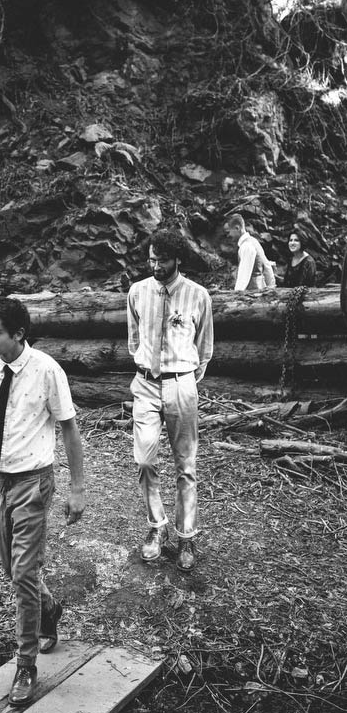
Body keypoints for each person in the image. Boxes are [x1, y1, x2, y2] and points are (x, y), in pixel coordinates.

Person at [0, 296, 85, 708]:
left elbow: (69, 429)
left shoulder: (47, 371)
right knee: (14, 571)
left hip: (33, 481)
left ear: (19, 334)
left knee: (22, 573)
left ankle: (25, 665)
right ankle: (47, 606)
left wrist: (77, 487)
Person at [127, 228, 213, 572]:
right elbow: (133, 340)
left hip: (182, 384)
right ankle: (156, 528)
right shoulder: (137, 292)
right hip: (145, 384)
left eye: (161, 259)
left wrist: (183, 379)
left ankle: (186, 535)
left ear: (177, 259)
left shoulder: (198, 296)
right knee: (145, 459)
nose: (155, 265)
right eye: (151, 258)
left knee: (186, 465)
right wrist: (148, 370)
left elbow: (204, 349)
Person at [225, 213, 276, 291]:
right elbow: (267, 266)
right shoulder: (253, 241)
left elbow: (244, 275)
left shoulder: (246, 246)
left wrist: (236, 293)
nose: (228, 236)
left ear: (237, 228)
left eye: (228, 232)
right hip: (260, 288)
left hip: (253, 292)